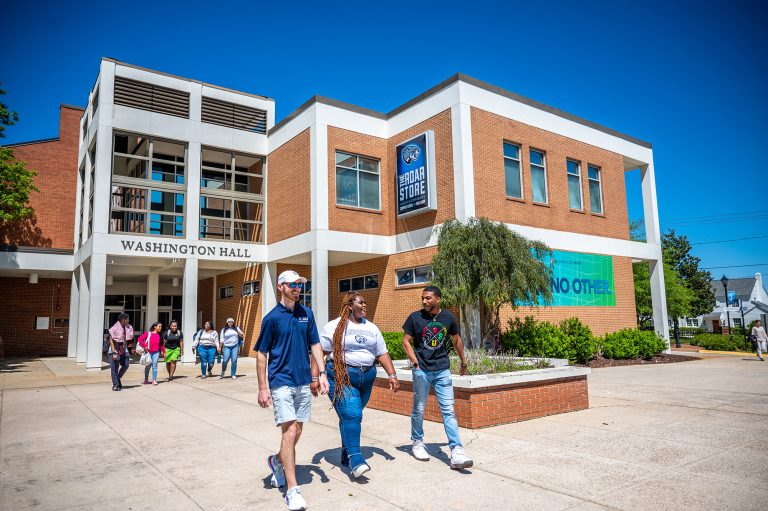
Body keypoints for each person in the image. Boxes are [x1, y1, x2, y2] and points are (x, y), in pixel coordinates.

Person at [255, 270, 329, 511]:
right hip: (281, 382)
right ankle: (293, 490)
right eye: (293, 285)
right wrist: (263, 387)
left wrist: (322, 374)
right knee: (289, 432)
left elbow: (315, 344)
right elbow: (261, 353)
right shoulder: (271, 318)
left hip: (303, 382)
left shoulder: (306, 314)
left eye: (300, 284)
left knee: (297, 432)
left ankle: (276, 460)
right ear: (280, 287)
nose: (297, 288)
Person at [318, 291, 399, 479]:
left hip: (367, 377)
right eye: (361, 303)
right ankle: (356, 459)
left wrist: (392, 375)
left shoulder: (371, 328)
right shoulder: (334, 326)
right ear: (349, 306)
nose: (364, 306)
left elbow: (381, 353)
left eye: (365, 303)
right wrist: (316, 378)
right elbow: (320, 352)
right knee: (352, 414)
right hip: (341, 375)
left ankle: (346, 453)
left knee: (352, 416)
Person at [402, 285, 473, 470]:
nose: (424, 301)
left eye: (428, 298)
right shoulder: (415, 318)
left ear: (438, 299)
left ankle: (456, 450)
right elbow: (405, 341)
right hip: (422, 370)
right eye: (423, 298)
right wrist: (415, 362)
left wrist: (463, 362)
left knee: (448, 410)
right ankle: (417, 442)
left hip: (442, 369)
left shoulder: (448, 317)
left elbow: (456, 340)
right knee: (419, 408)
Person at [108, 313, 134, 391]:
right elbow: (111, 340)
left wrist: (131, 348)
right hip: (115, 348)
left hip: (123, 348)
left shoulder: (128, 327)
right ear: (123, 319)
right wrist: (113, 353)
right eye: (127, 319)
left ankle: (117, 378)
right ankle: (115, 384)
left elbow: (129, 339)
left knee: (126, 365)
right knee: (114, 368)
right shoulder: (115, 328)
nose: (128, 320)